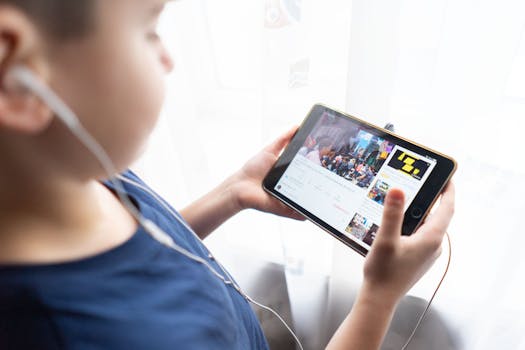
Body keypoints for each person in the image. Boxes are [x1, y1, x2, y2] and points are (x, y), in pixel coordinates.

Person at [0, 1, 455, 349]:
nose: (169, 60)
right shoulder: (110, 335)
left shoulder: (70, 170)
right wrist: (380, 296)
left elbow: (144, 247)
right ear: (16, 78)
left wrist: (232, 193)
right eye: (148, 31)